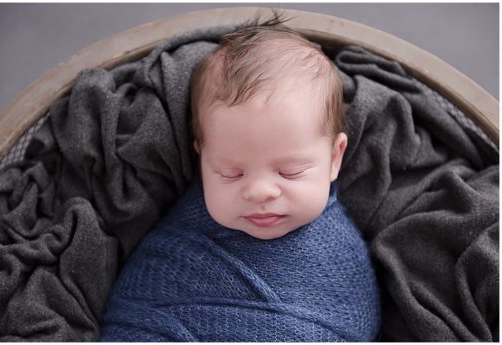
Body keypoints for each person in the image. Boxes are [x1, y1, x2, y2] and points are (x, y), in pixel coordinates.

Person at [99, 14, 381, 341]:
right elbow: (136, 316)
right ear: (201, 158)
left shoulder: (338, 258)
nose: (260, 192)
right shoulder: (178, 244)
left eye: (290, 171)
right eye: (230, 173)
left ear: (334, 157)